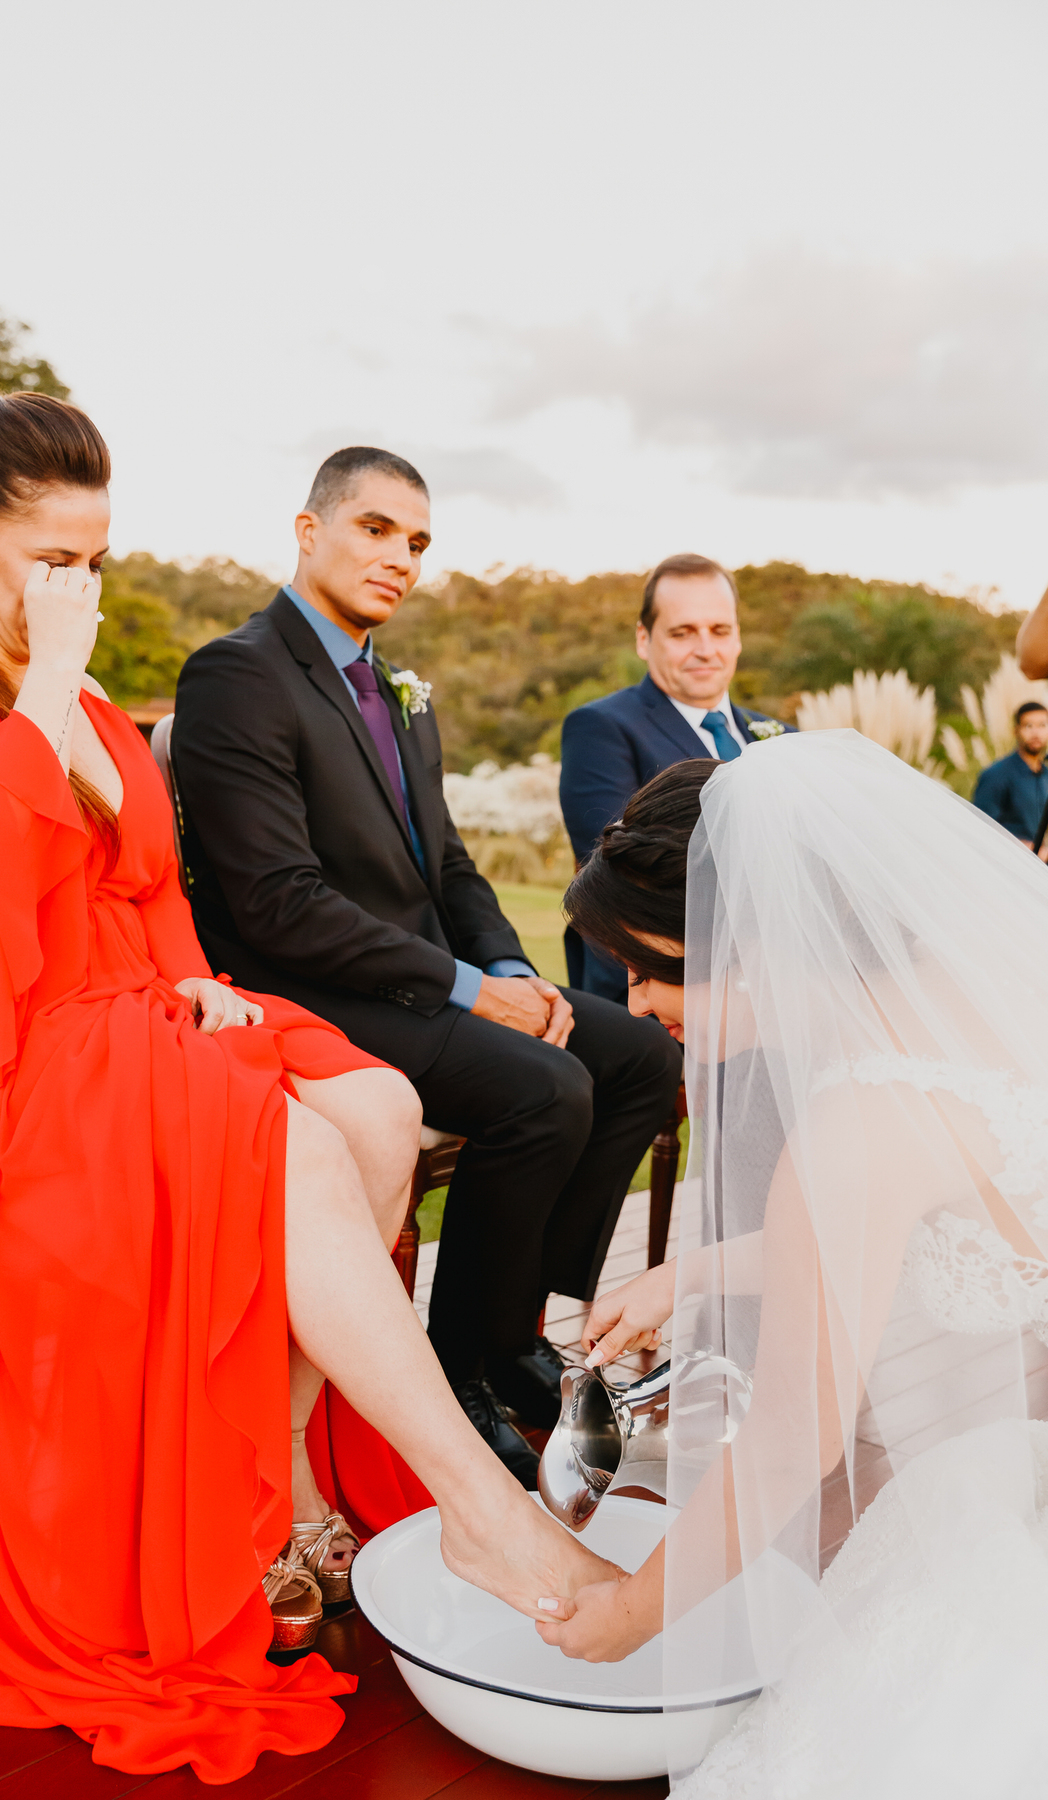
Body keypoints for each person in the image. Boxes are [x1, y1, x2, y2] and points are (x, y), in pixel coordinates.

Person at [0, 394, 617, 1785]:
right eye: (52, 560)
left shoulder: (85, 697)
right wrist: (46, 681)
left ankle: (277, 1470)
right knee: (298, 1150)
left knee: (379, 1106)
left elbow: (147, 881)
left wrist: (196, 983)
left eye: (95, 559)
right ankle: (477, 1515)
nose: (78, 590)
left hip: (121, 999)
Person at [536, 733, 1048, 1796]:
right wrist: (693, 1272)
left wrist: (628, 1615)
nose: (636, 1002)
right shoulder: (978, 988)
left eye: (647, 966)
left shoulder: (858, 1119)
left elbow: (786, 1443)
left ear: (746, 943)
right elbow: (913, 1217)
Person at [170, 447, 681, 1479]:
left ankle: (514, 1325)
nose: (399, 557)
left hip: (425, 976)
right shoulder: (237, 673)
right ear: (309, 530)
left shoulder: (400, 691)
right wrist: (470, 991)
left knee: (640, 1057)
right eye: (375, 529)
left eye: (416, 542)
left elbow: (446, 863)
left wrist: (508, 966)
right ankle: (457, 1366)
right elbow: (277, 903)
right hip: (305, 988)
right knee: (543, 1090)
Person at [558, 554, 791, 1002]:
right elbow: (621, 868)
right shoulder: (601, 728)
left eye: (719, 630)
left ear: (738, 637)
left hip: (775, 992)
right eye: (682, 632)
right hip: (652, 993)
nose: (705, 648)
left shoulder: (782, 737)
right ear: (644, 639)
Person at [972, 699, 1048, 855]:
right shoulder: (996, 774)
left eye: (1042, 725)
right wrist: (1028, 848)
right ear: (1016, 730)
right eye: (1028, 726)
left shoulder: (1045, 774)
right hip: (1008, 862)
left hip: (1040, 864)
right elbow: (980, 826)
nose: (1036, 733)